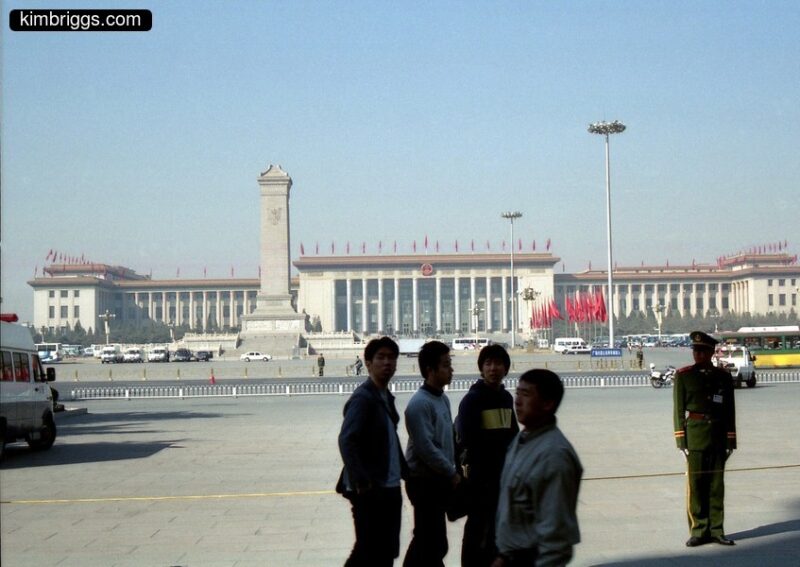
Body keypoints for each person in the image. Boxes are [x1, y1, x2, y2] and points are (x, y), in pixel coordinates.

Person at [493, 369, 582, 567]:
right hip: (510, 557)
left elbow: (557, 540)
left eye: (526, 395)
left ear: (547, 403)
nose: (517, 401)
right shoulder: (522, 439)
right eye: (517, 393)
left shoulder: (554, 456)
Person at [337, 337, 407, 566]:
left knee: (383, 551)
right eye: (381, 357)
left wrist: (407, 472)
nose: (387, 362)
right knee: (369, 550)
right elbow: (347, 440)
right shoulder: (363, 398)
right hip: (372, 488)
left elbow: (390, 440)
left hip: (388, 486)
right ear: (368, 363)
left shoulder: (384, 396)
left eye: (391, 358)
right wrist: (362, 482)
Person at [454, 344, 519, 567]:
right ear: (481, 368)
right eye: (488, 364)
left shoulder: (506, 399)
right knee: (477, 528)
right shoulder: (472, 400)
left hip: (502, 476)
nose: (493, 368)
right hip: (481, 478)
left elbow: (512, 435)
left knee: (496, 527)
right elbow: (466, 439)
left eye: (498, 364)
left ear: (506, 368)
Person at [673, 331, 737, 547]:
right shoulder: (684, 376)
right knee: (697, 484)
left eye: (702, 351)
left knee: (717, 486)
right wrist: (681, 441)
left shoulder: (723, 377)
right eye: (695, 350)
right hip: (695, 436)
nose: (697, 354)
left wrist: (730, 439)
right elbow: (678, 411)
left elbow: (729, 410)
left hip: (718, 435)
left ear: (711, 353)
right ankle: (699, 529)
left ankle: (717, 529)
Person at [403, 340, 460, 567]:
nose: (451, 369)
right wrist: (451, 472)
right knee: (431, 541)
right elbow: (426, 449)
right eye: (445, 365)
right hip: (423, 481)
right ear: (430, 370)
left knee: (432, 541)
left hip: (438, 479)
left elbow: (448, 440)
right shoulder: (419, 404)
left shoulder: (442, 398)